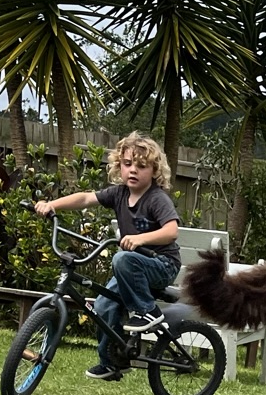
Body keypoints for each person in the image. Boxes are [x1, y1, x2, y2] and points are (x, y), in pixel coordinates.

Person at [36, 133, 181, 380]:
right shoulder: (119, 194)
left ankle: (149, 312)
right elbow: (85, 198)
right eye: (127, 164)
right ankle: (113, 362)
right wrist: (53, 205)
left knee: (121, 258)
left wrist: (140, 239)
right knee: (103, 305)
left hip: (161, 264)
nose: (133, 170)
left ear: (154, 171)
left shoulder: (157, 199)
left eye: (141, 166)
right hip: (132, 268)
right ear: (118, 166)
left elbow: (171, 231)